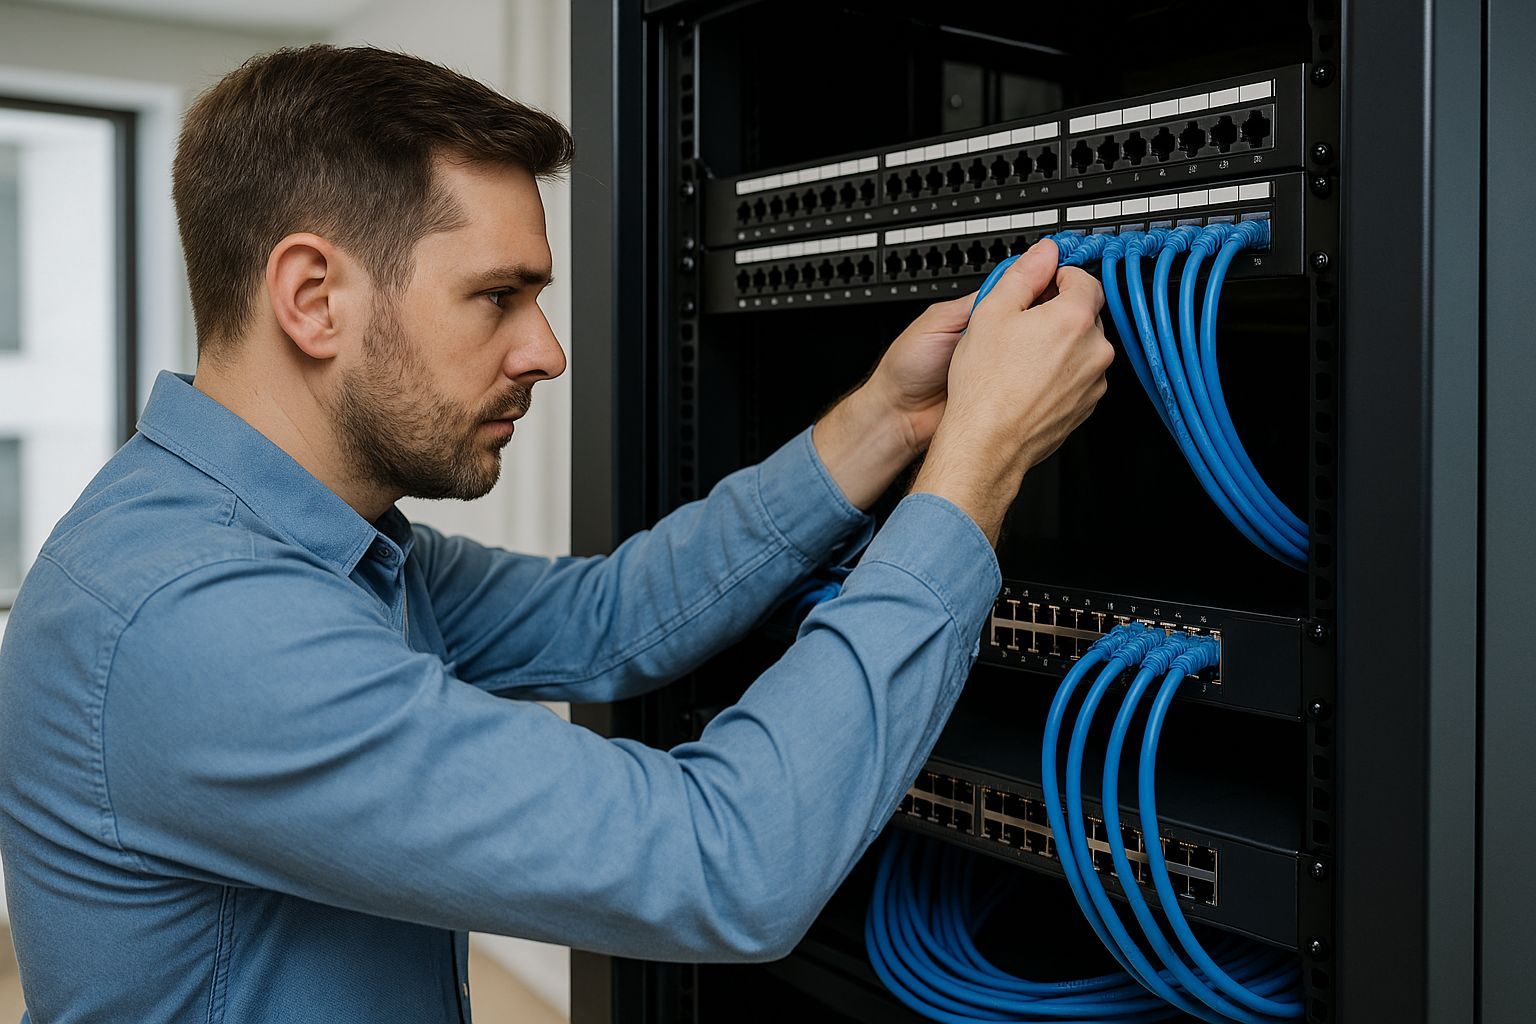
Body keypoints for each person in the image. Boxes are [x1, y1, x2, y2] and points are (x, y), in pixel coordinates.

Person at [0, 45, 1111, 1024]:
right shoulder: (203, 623)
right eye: (497, 296)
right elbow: (725, 863)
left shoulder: (304, 537)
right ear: (312, 296)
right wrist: (978, 466)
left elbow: (613, 614)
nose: (546, 350)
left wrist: (889, 421)